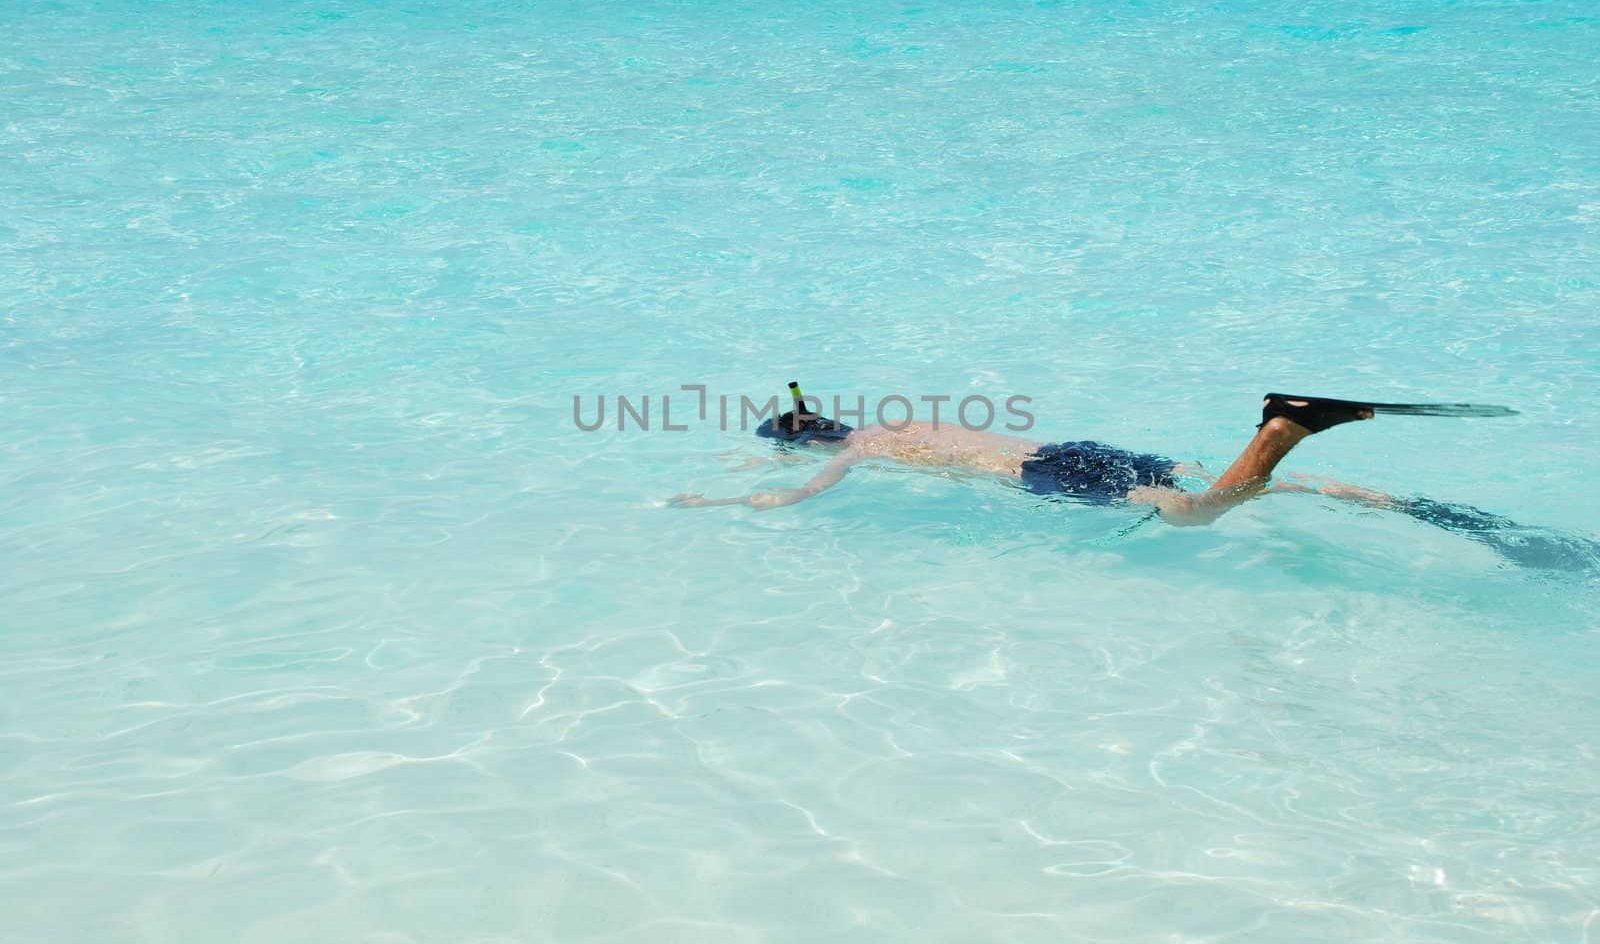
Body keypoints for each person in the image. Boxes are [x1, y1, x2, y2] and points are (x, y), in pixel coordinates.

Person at [670, 389, 1597, 572]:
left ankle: (1283, 431)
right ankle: (1455, 519)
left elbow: (799, 494)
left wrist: (740, 497)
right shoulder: (900, 420)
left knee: (1194, 517)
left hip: (1051, 484)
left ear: (807, 441)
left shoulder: (862, 449)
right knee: (1205, 486)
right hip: (1072, 450)